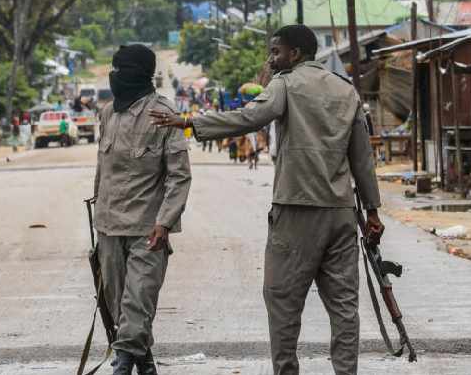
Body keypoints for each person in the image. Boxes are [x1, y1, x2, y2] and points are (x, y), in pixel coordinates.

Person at [149, 24, 384, 375]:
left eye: (276, 52)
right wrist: (373, 211)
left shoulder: (285, 84)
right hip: (341, 213)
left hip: (296, 211)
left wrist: (187, 122)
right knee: (344, 306)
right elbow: (362, 158)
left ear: (296, 53)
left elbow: (249, 117)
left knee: (282, 300)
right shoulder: (345, 89)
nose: (271, 60)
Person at [94, 44, 192, 375]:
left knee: (138, 301)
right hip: (109, 228)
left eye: (120, 69)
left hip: (148, 230)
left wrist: (165, 222)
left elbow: (179, 176)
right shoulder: (108, 113)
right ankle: (145, 364)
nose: (114, 75)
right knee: (119, 308)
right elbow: (102, 170)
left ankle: (121, 366)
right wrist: (97, 221)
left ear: (138, 74)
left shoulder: (163, 114)